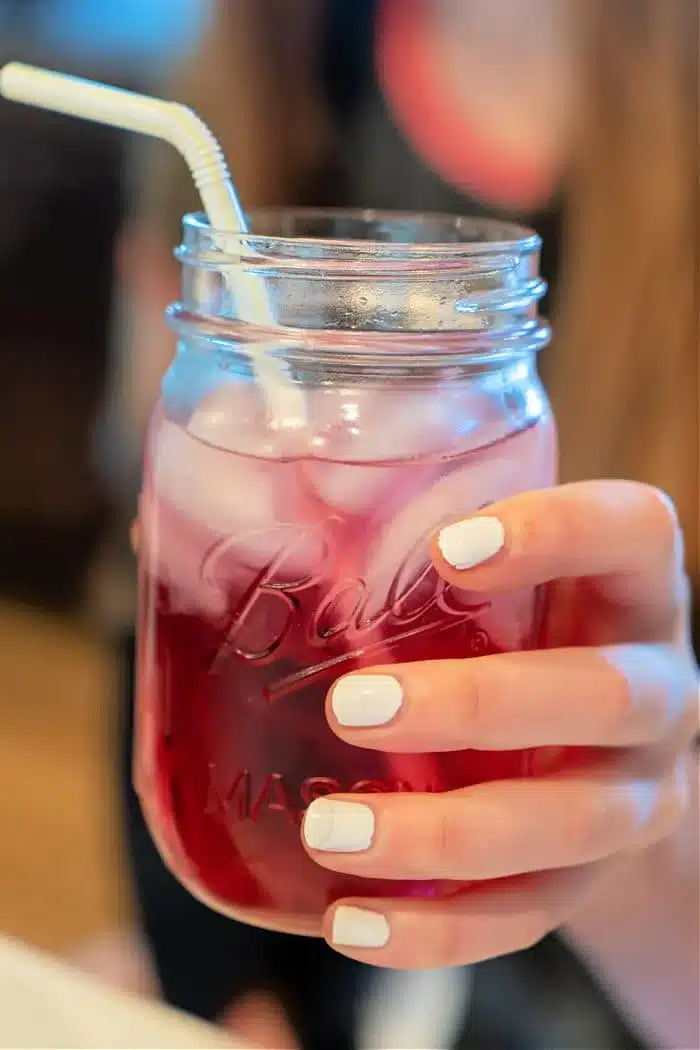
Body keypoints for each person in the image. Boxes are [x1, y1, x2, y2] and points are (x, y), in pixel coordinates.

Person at [97, 1, 698, 1047]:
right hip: (277, 976)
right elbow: (162, 626)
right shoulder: (259, 65)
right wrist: (220, 995)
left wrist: (647, 861)